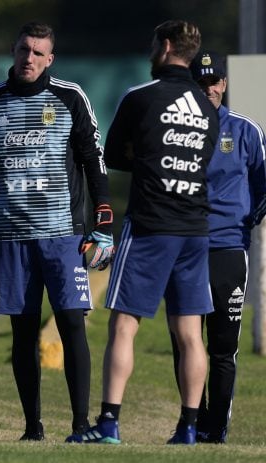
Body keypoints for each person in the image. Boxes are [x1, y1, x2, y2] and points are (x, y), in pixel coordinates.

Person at [0, 22, 113, 442]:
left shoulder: (69, 97)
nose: (30, 58)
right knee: (22, 333)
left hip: (63, 235)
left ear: (50, 59)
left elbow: (93, 160)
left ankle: (81, 427)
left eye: (39, 52)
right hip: (10, 237)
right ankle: (32, 428)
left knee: (71, 324)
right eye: (24, 49)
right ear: (14, 50)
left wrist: (104, 224)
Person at [77, 20, 219, 445]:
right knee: (190, 334)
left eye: (154, 44)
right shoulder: (207, 107)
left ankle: (108, 423)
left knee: (124, 324)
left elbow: (115, 155)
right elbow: (203, 160)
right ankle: (189, 427)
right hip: (195, 227)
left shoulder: (141, 97)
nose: (149, 51)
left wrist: (146, 156)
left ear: (168, 46)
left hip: (151, 225)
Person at [166, 50, 266, 444]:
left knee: (223, 344)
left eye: (214, 82)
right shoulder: (175, 131)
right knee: (184, 339)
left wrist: (245, 222)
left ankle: (215, 428)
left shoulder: (245, 130)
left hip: (227, 249)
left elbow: (263, 185)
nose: (207, 88)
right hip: (185, 248)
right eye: (200, 82)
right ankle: (191, 420)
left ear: (223, 84)